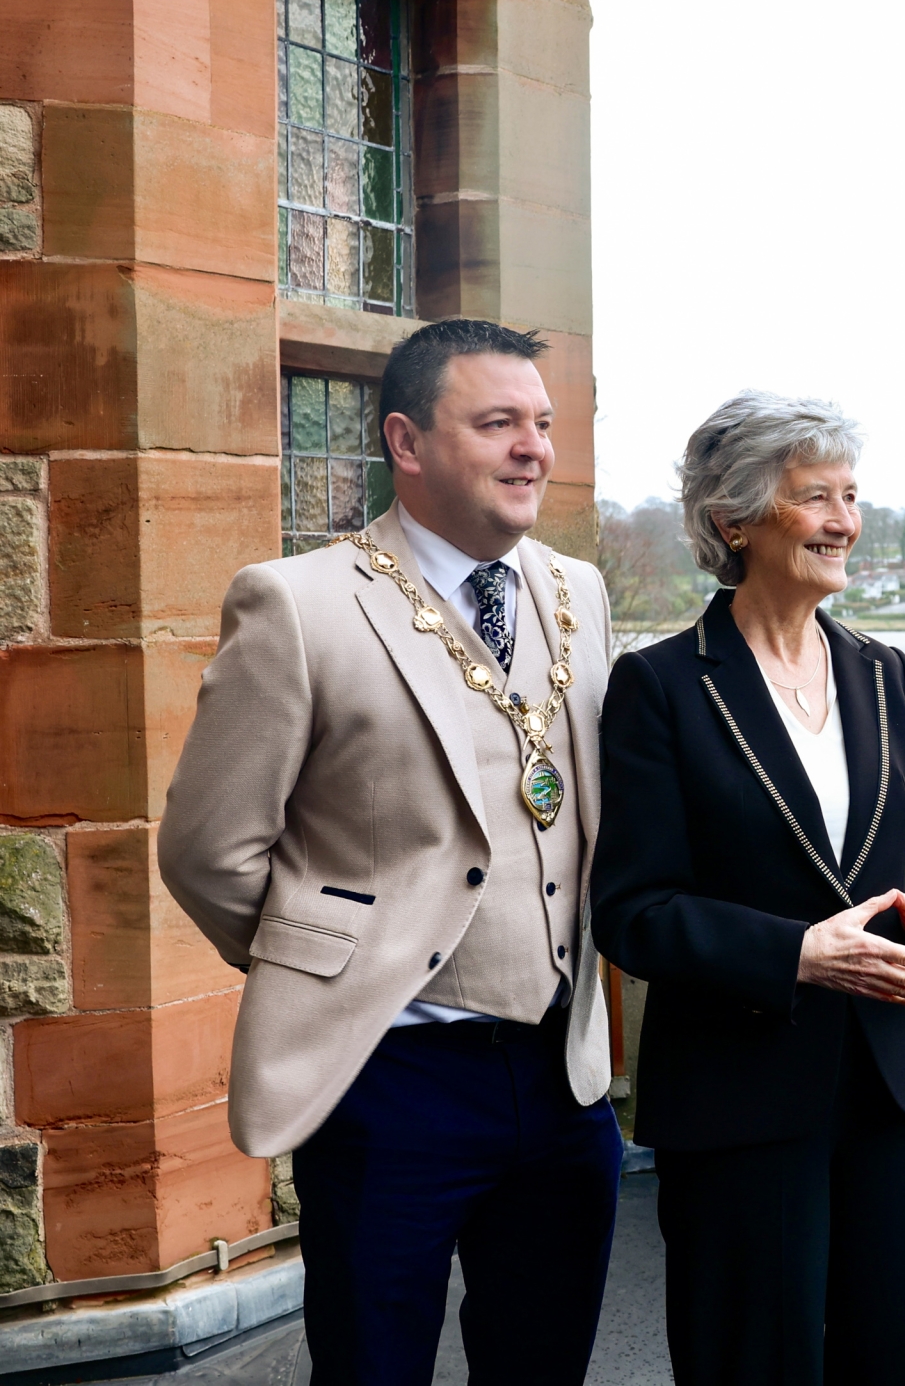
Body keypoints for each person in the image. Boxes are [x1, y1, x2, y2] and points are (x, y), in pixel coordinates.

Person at [158, 320, 621, 1385]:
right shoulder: (297, 602)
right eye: (497, 423)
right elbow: (208, 849)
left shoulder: (579, 592)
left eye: (542, 423)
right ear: (406, 442)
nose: (534, 449)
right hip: (389, 1081)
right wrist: (334, 962)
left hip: (564, 1075)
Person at [592, 392, 905, 1385]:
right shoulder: (661, 686)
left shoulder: (885, 674)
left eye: (852, 495)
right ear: (734, 520)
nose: (845, 520)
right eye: (816, 497)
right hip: (739, 1093)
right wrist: (797, 954)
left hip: (895, 1081)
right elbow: (632, 911)